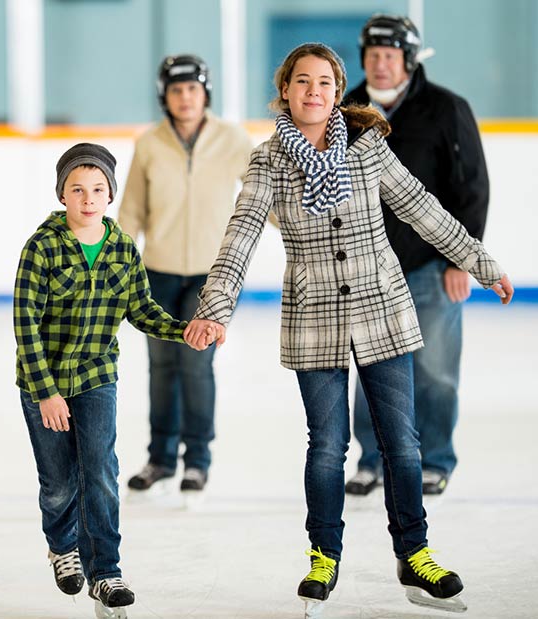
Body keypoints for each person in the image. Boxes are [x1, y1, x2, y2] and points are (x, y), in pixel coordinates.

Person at [183, 43, 513, 615]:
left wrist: (481, 263)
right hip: (315, 322)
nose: (314, 92)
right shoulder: (267, 163)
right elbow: (239, 238)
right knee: (328, 447)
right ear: (285, 90)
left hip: (383, 308)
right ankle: (323, 555)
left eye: (325, 83)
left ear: (339, 92)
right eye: (303, 81)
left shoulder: (367, 148)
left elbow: (423, 210)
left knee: (402, 445)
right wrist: (215, 307)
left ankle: (415, 553)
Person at [15, 143, 190, 618]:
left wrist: (183, 331)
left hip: (96, 377)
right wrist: (47, 392)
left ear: (110, 194)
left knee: (101, 473)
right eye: (77, 189)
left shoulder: (122, 249)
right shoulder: (42, 247)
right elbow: (25, 326)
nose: (88, 198)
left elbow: (142, 310)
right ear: (63, 194)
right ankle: (61, 545)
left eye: (98, 189)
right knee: (58, 482)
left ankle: (106, 571)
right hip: (44, 381)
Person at [342, 14, 489, 497]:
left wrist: (460, 259)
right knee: (370, 371)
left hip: (430, 267)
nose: (380, 65)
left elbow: (471, 189)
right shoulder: (345, 111)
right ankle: (373, 459)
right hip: (366, 270)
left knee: (434, 369)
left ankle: (436, 459)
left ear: (407, 59)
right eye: (372, 56)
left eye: (389, 56)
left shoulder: (447, 109)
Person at [119, 54, 254, 493]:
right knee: (161, 367)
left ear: (205, 92)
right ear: (166, 95)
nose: (185, 97)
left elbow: (262, 196)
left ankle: (197, 459)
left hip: (211, 276)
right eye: (176, 90)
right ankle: (160, 458)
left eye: (192, 89)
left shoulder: (233, 140)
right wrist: (113, 265)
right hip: (157, 271)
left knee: (196, 366)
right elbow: (131, 211)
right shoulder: (150, 144)